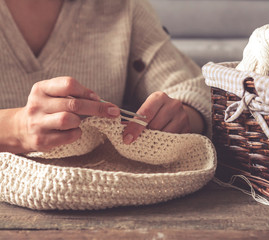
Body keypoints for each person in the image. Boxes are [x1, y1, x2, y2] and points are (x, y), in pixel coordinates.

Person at [0, 0, 210, 154]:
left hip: (116, 201)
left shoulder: (123, 7)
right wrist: (16, 128)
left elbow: (194, 90)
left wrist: (183, 115)